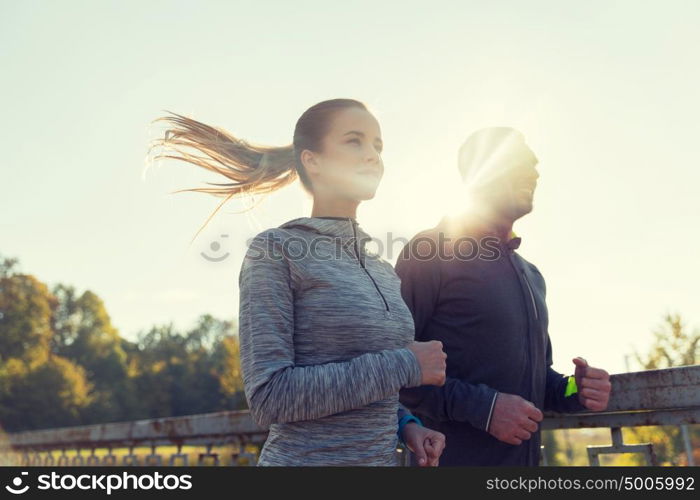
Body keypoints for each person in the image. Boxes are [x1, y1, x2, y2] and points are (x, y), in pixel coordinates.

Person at [149, 98, 447, 466]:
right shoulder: (276, 250)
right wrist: (405, 364)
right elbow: (270, 396)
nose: (373, 155)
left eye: (378, 145)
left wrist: (407, 426)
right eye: (354, 140)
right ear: (313, 160)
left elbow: (369, 384)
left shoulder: (382, 269)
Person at [396, 127, 611, 466]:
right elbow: (394, 371)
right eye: (520, 161)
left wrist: (575, 390)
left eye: (534, 164)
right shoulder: (430, 250)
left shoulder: (532, 275)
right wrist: (485, 409)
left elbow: (539, 383)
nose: (535, 170)